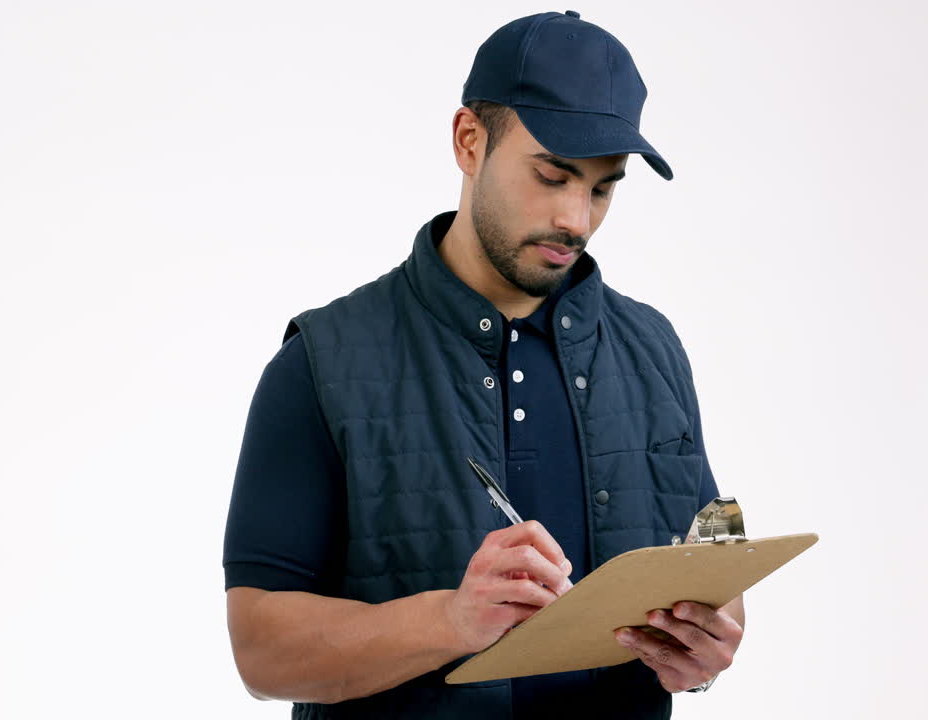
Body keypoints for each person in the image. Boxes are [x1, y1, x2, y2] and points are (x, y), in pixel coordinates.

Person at [222, 10, 744, 719]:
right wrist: (452, 623)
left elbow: (711, 567)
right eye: (552, 175)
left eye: (602, 187)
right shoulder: (322, 360)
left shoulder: (652, 348)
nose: (577, 220)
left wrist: (703, 654)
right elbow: (261, 651)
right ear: (469, 141)